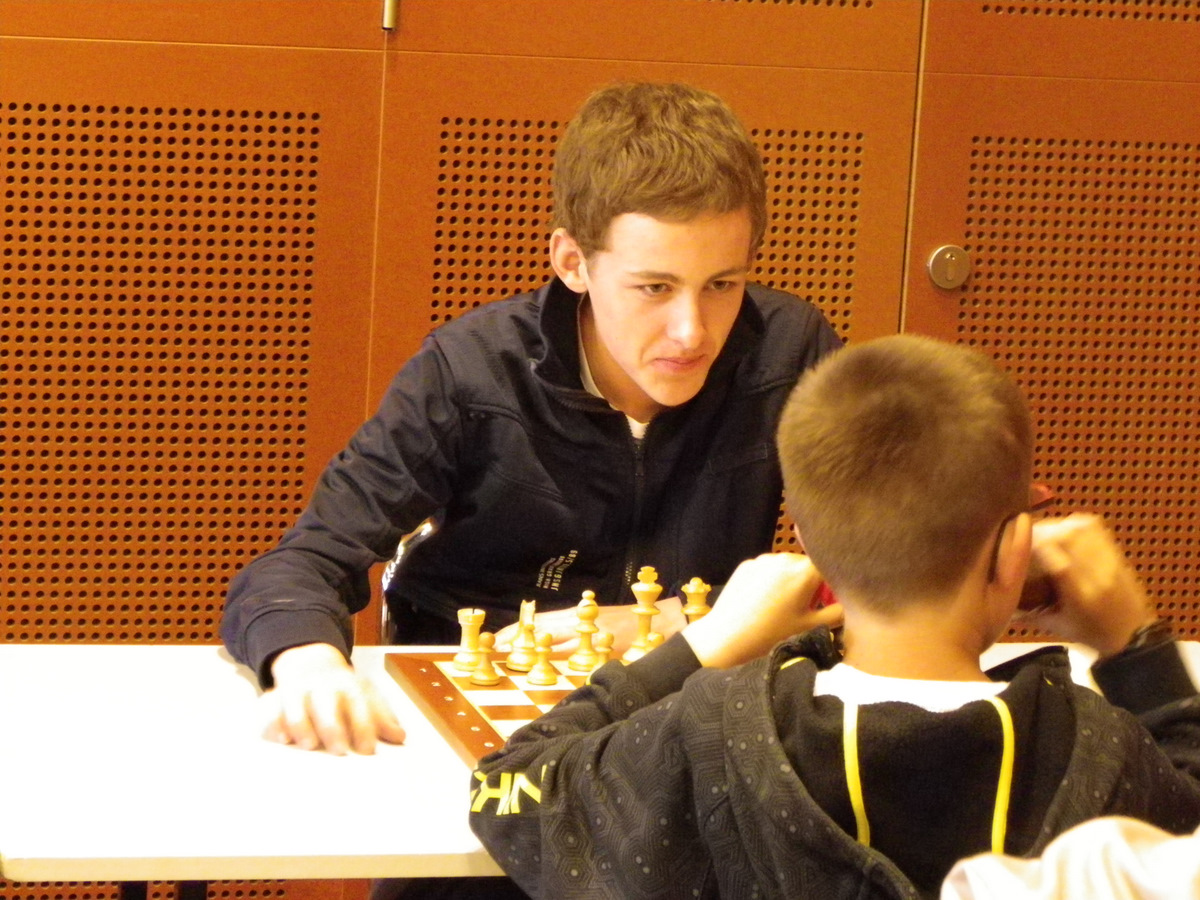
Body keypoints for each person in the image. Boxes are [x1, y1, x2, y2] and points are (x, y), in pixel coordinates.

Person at [219, 80, 841, 756]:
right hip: (484, 718)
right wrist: (308, 664)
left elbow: (874, 567)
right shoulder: (470, 370)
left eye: (722, 284)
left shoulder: (790, 350)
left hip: (690, 721)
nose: (692, 331)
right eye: (654, 288)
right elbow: (302, 562)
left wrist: (663, 622)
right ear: (573, 262)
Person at [468, 334, 1200, 900]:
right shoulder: (1102, 753)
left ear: (810, 545)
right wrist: (1135, 646)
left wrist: (704, 643)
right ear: (1016, 551)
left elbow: (505, 787)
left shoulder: (711, 736)